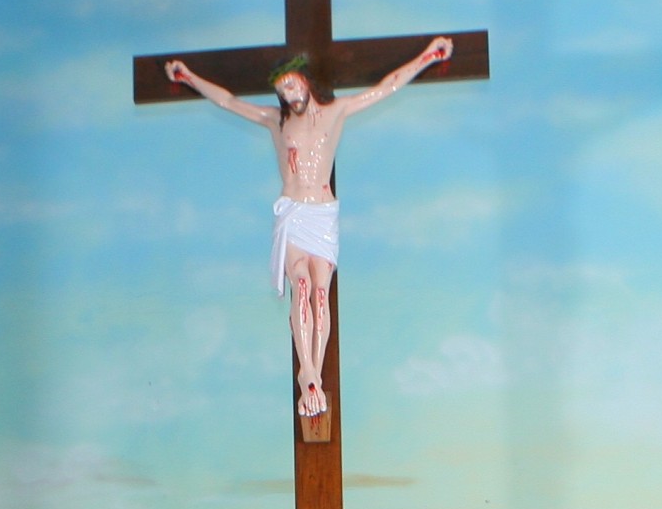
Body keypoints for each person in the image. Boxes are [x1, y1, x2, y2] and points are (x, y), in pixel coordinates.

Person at [164, 40, 453, 422]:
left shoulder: (336, 112)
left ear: (305, 80)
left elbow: (386, 87)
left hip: (322, 215)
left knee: (320, 293)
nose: (288, 94)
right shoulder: (277, 121)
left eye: (292, 84)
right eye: (281, 90)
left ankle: (314, 370)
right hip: (293, 212)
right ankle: (309, 374)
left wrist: (428, 56)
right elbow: (229, 101)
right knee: (300, 285)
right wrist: (189, 77)